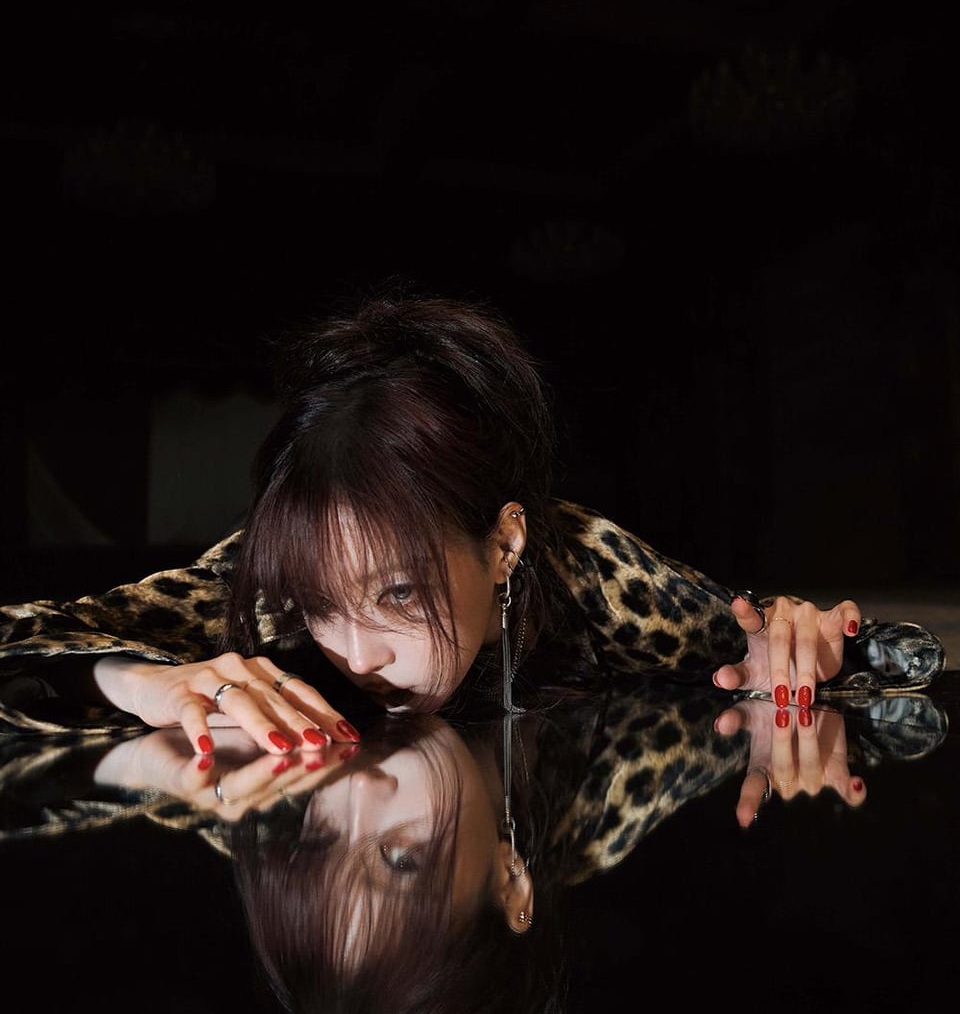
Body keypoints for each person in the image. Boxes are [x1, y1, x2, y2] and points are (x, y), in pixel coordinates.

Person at [0, 290, 945, 758]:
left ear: (504, 544)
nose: (354, 654)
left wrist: (810, 645)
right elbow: (22, 639)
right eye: (322, 605)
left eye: (397, 592)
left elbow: (896, 663)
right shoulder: (270, 571)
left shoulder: (589, 568)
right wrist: (132, 678)